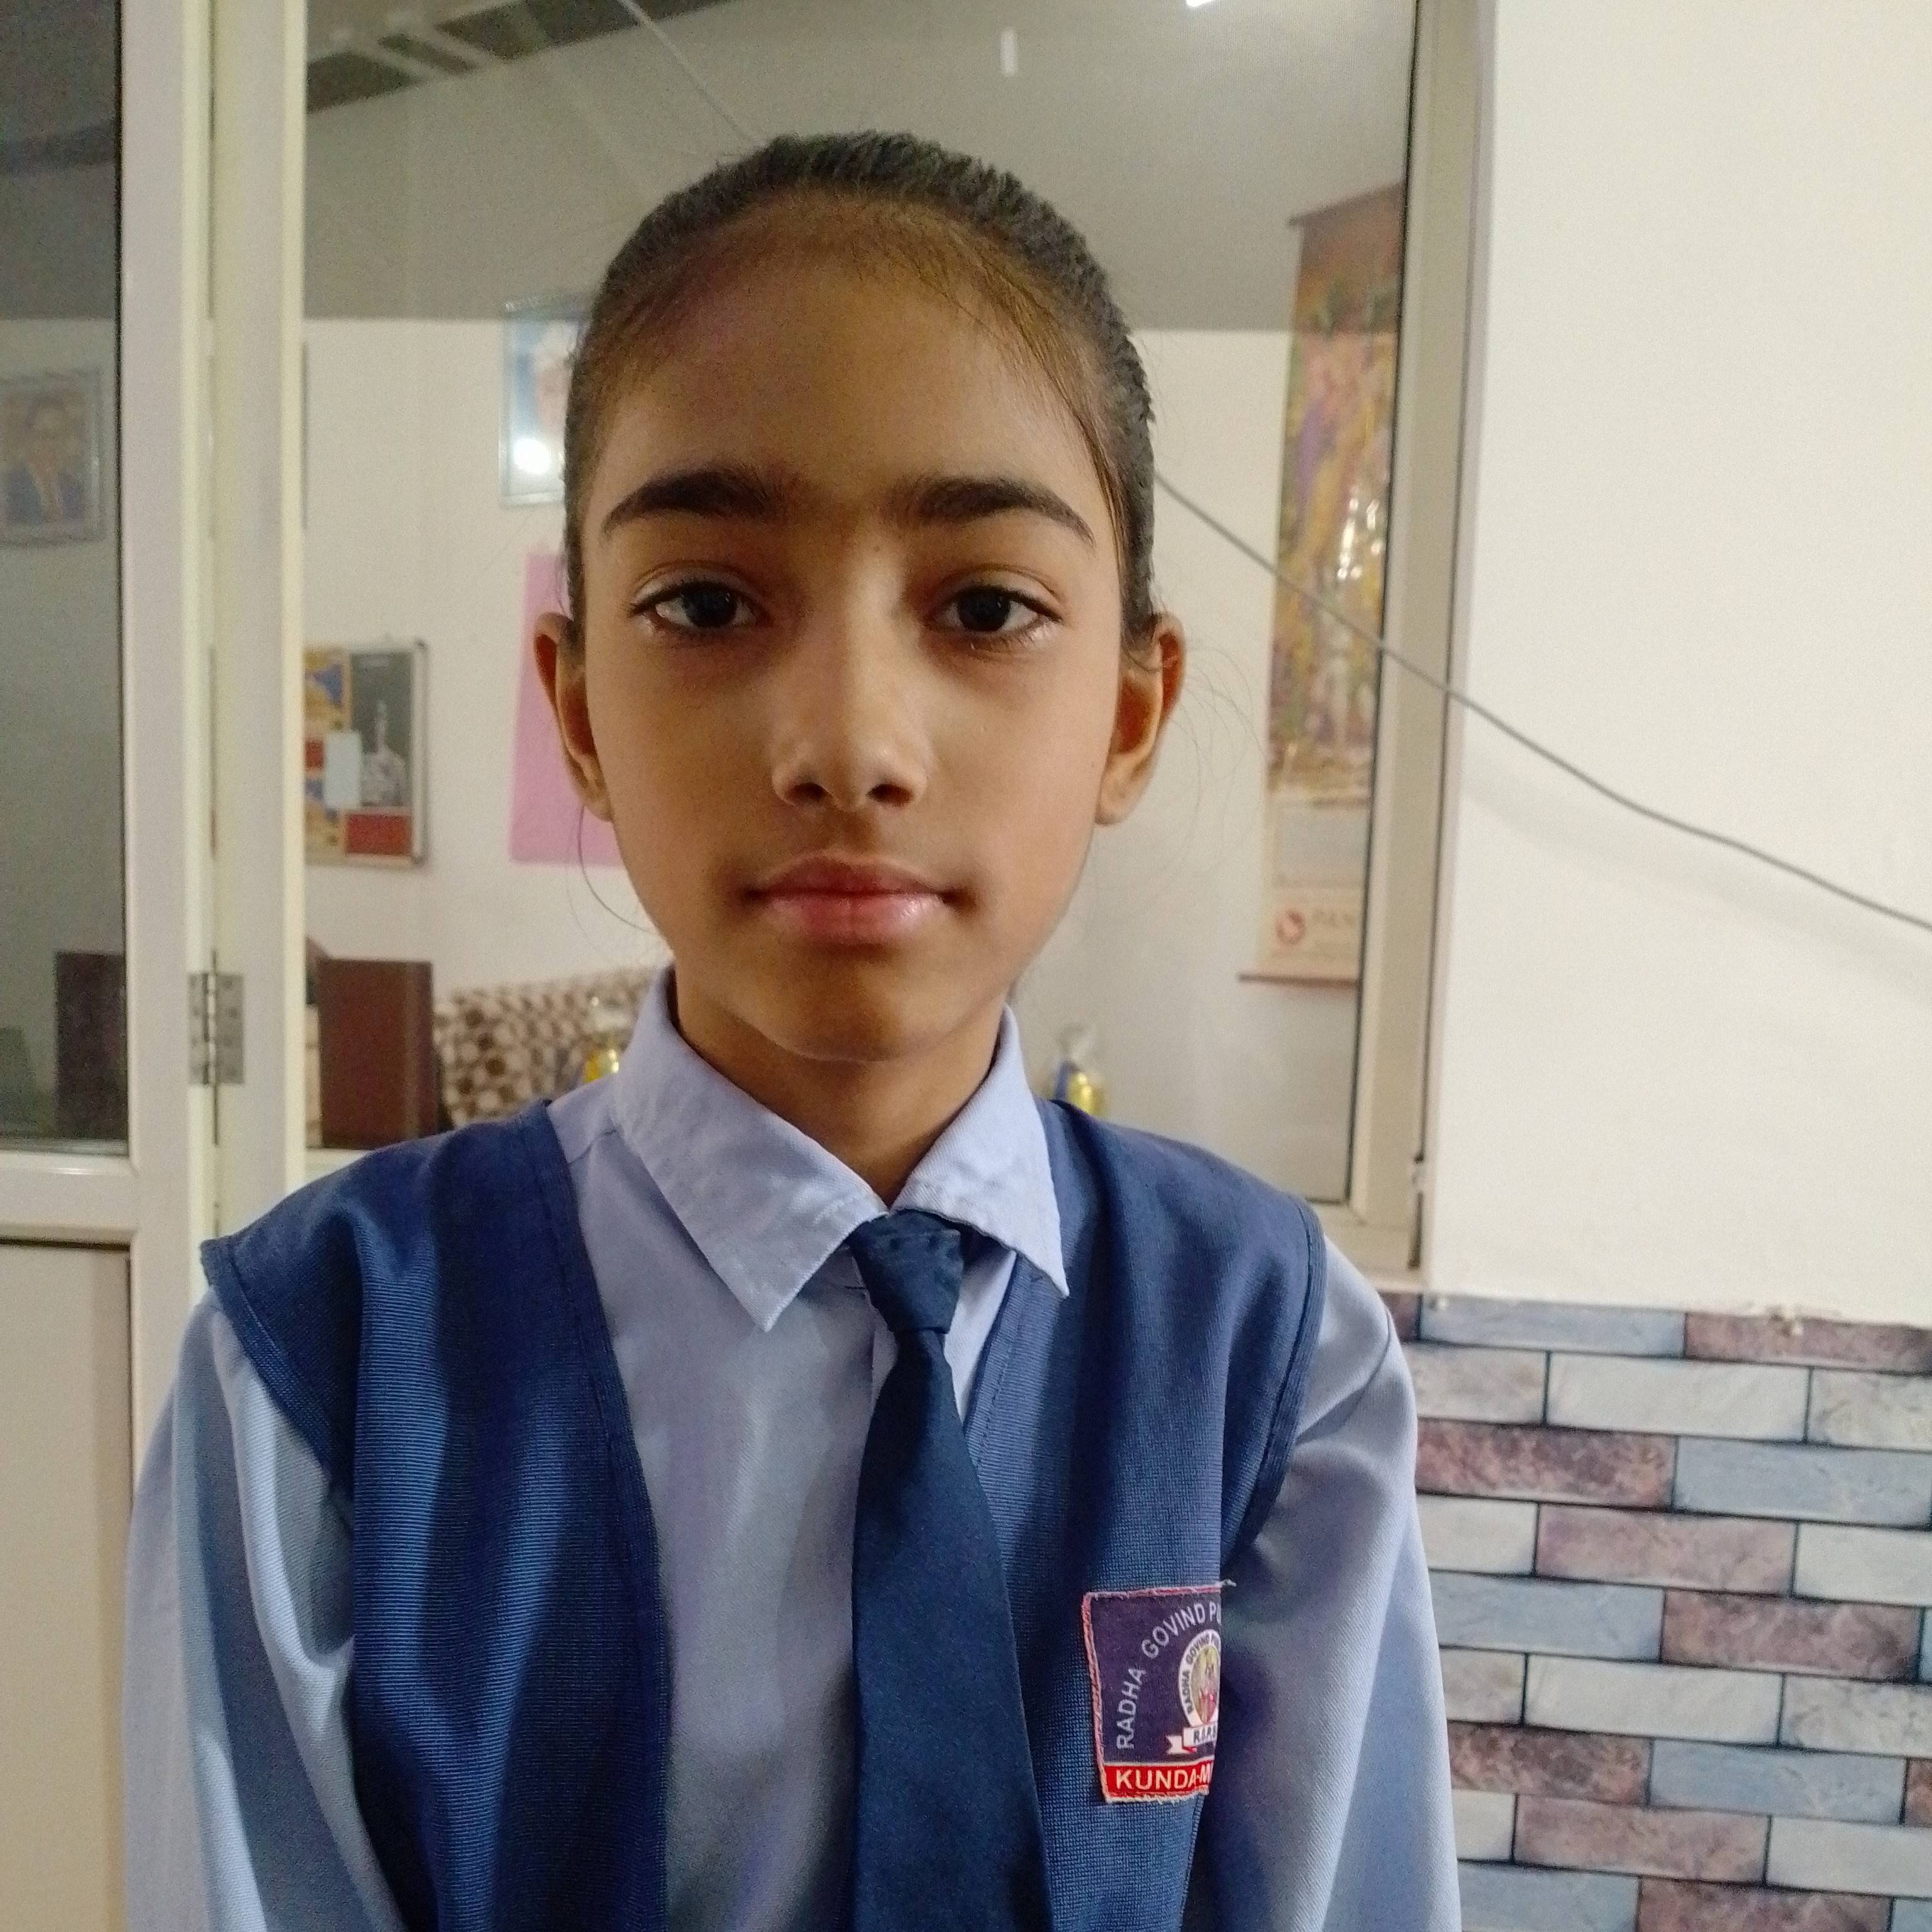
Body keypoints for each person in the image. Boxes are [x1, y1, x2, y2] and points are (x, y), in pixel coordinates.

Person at [123, 133, 1456, 1931]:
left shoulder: (1276, 1364)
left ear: (1134, 714)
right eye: (707, 603)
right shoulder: (317, 1375)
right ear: (578, 711)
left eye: (983, 608)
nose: (848, 743)